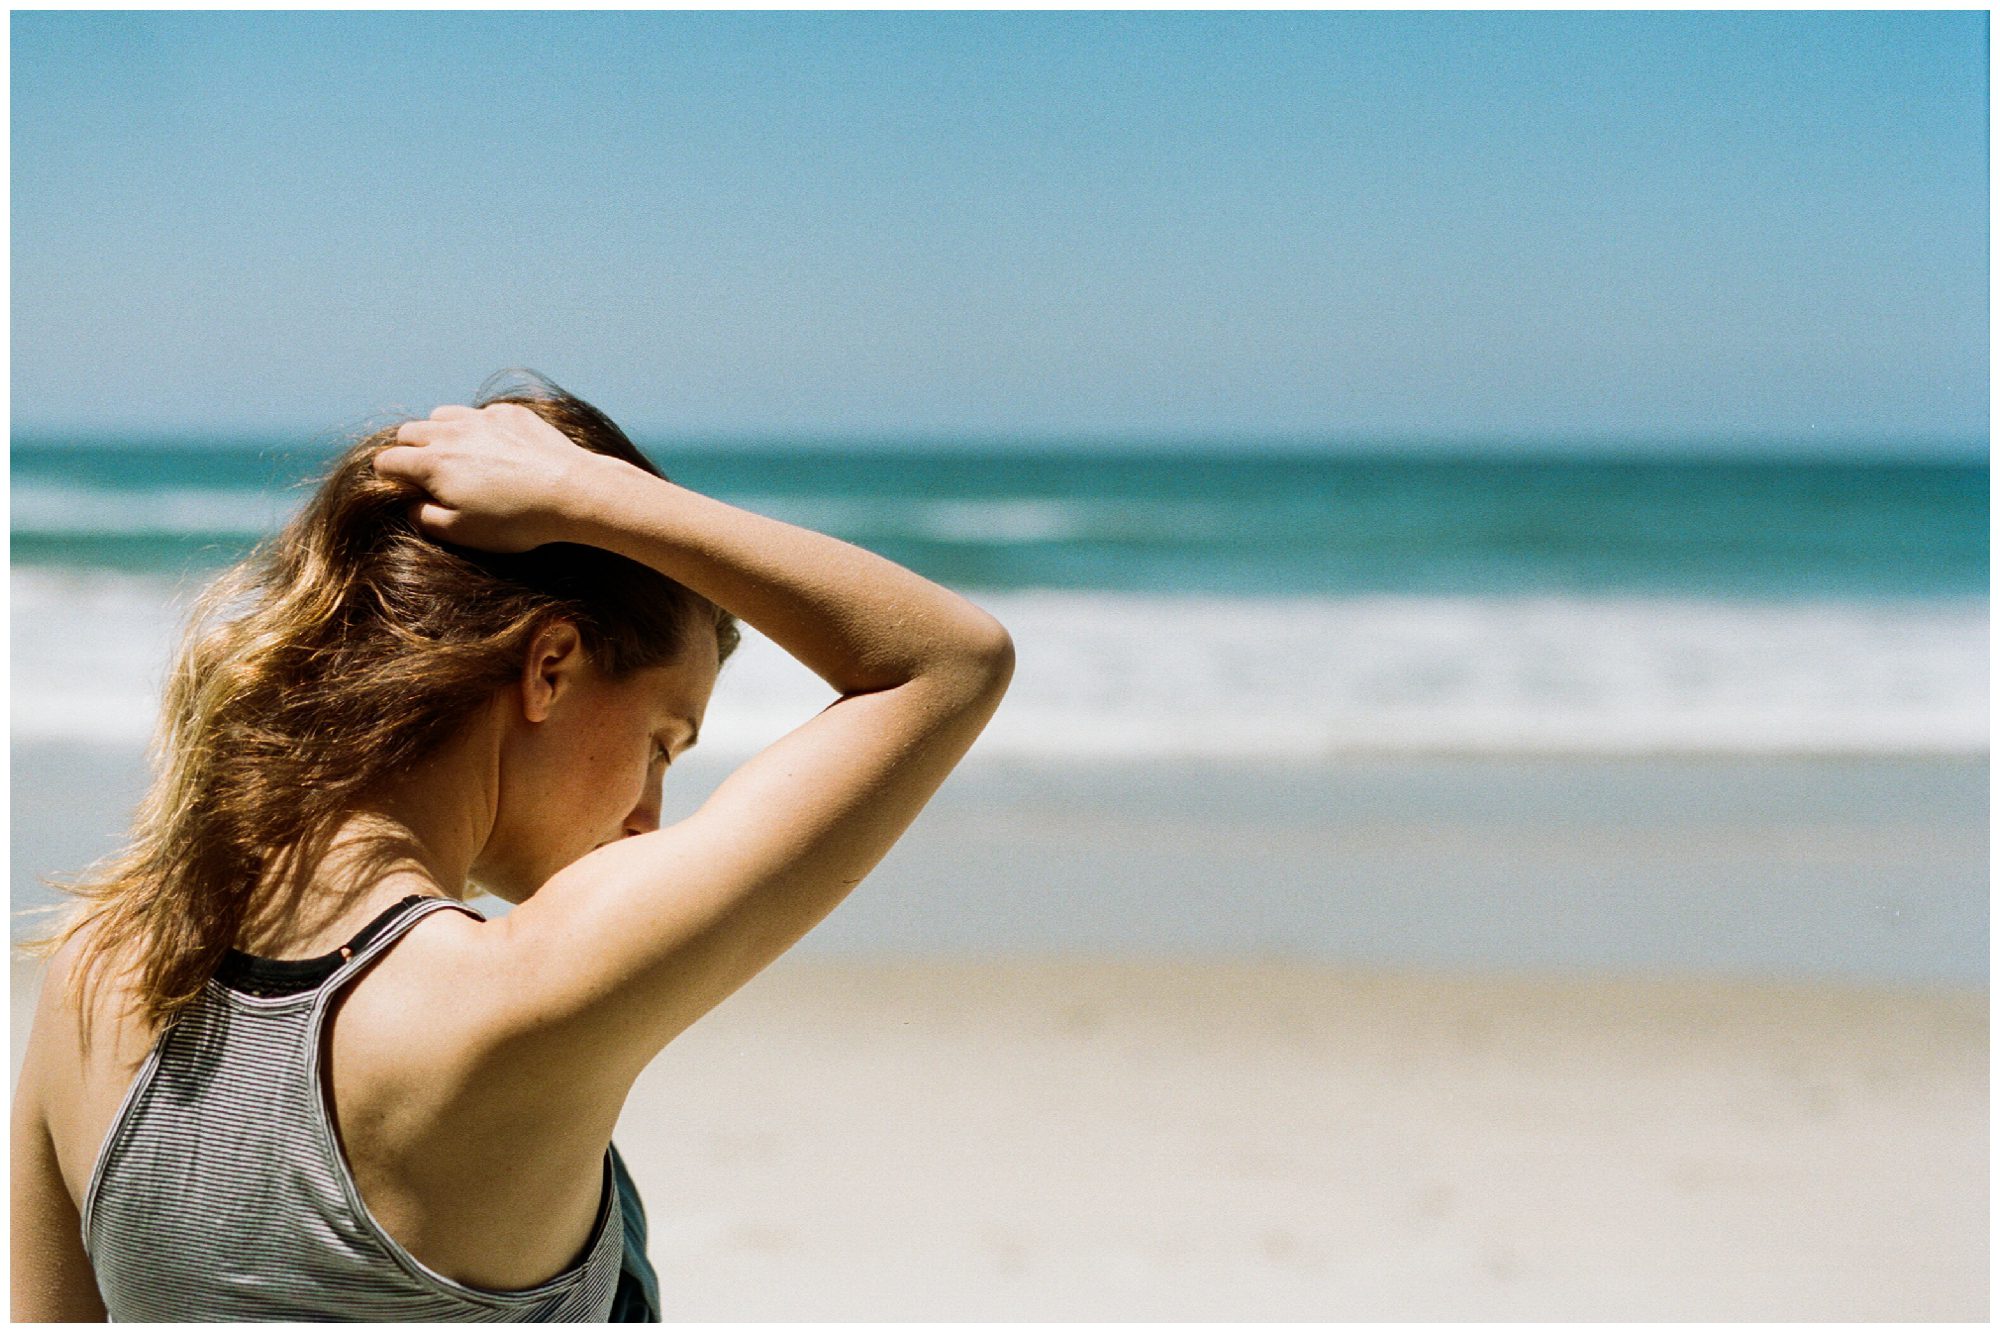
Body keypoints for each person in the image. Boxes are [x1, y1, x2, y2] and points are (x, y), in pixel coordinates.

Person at [9, 373, 1015, 1320]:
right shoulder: (513, 996)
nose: (647, 816)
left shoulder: (98, 977)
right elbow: (946, 659)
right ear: (549, 668)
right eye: (661, 742)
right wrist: (588, 494)